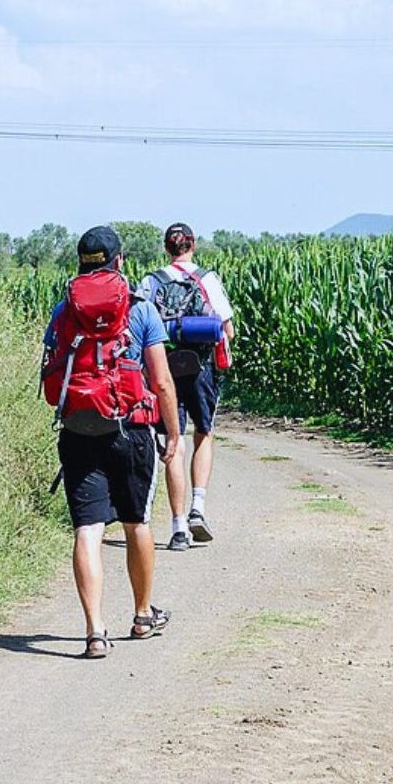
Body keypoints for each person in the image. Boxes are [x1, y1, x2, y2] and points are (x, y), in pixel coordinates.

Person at [43, 225, 181, 659]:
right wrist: (173, 431)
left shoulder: (64, 312)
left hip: (79, 430)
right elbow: (160, 380)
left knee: (88, 529)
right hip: (132, 428)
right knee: (136, 521)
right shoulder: (140, 310)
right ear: (120, 260)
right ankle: (142, 615)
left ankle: (95, 631)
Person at [138, 222, 236, 552]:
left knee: (172, 441)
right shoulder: (207, 278)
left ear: (166, 248)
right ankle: (198, 506)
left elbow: (137, 327)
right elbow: (228, 330)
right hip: (201, 367)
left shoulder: (151, 282)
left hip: (163, 368)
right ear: (192, 246)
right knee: (203, 433)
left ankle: (178, 528)